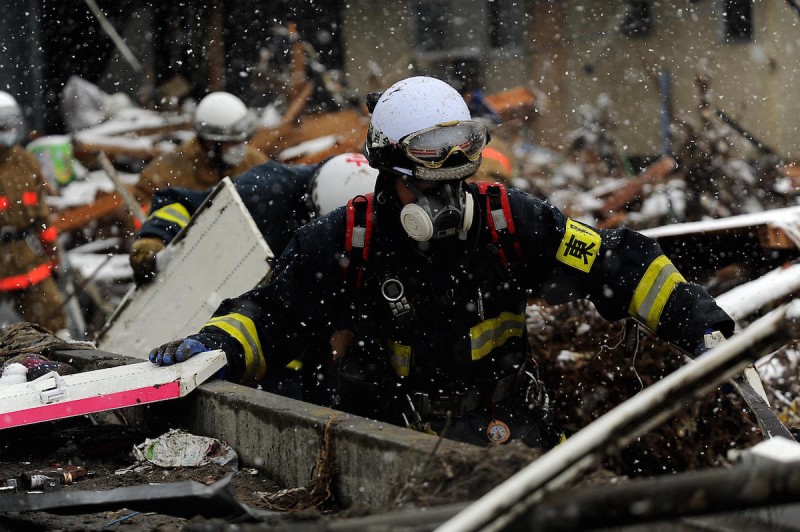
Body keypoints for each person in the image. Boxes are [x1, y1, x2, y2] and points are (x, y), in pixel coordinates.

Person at [148, 76, 734, 449]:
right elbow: (272, 315)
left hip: (510, 436)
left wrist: (693, 318)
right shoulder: (342, 241)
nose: (447, 202)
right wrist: (218, 344)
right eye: (425, 183)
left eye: (459, 177)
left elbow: (612, 264)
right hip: (383, 445)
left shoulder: (511, 222)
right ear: (384, 170)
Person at [129, 152, 378, 286]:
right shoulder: (263, 191)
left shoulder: (375, 203)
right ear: (312, 209)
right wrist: (155, 237)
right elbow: (182, 203)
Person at [0, 91, 67, 333]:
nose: (9, 132)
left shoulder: (26, 162)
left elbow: (41, 217)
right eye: (2, 127)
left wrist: (54, 255)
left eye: (11, 125)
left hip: (28, 260)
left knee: (54, 323)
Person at [132, 91, 268, 205]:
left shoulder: (255, 163)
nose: (240, 148)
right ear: (209, 142)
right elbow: (140, 217)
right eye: (232, 142)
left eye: (242, 140)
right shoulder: (166, 173)